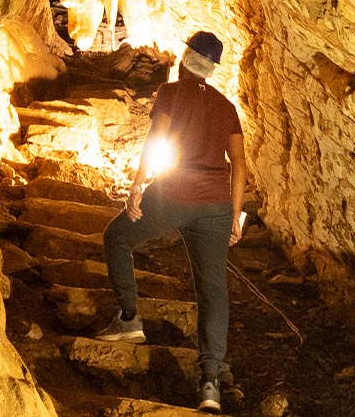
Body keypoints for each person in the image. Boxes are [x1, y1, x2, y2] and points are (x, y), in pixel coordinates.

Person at [96, 31, 247, 414]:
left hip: (174, 194)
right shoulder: (226, 106)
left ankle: (129, 317)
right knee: (213, 288)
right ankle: (210, 380)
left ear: (185, 59)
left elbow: (156, 139)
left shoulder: (171, 92)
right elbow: (239, 164)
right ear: (212, 69)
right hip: (216, 205)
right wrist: (235, 215)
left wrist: (137, 187)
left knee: (117, 237)